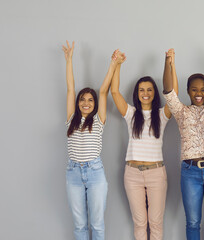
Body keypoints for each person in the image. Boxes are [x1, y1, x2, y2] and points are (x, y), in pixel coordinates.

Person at [163, 40, 204, 240]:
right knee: (192, 223)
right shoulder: (181, 112)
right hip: (190, 173)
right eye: (194, 89)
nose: (198, 93)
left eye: (202, 90)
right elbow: (167, 91)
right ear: (188, 91)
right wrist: (168, 62)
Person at [110, 49, 178, 240]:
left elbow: (174, 93)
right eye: (141, 90)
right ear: (137, 93)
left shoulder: (162, 115)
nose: (145, 93)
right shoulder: (131, 114)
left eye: (149, 89)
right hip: (132, 174)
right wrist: (118, 65)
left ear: (154, 93)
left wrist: (171, 63)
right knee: (140, 223)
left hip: (156, 174)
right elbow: (114, 91)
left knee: (155, 223)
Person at [63, 40, 117, 240]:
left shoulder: (98, 120)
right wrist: (69, 60)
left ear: (95, 104)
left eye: (90, 100)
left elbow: (103, 90)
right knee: (79, 226)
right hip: (73, 173)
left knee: (97, 224)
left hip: (95, 173)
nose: (86, 103)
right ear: (77, 103)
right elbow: (70, 88)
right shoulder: (71, 119)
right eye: (82, 99)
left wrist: (112, 64)